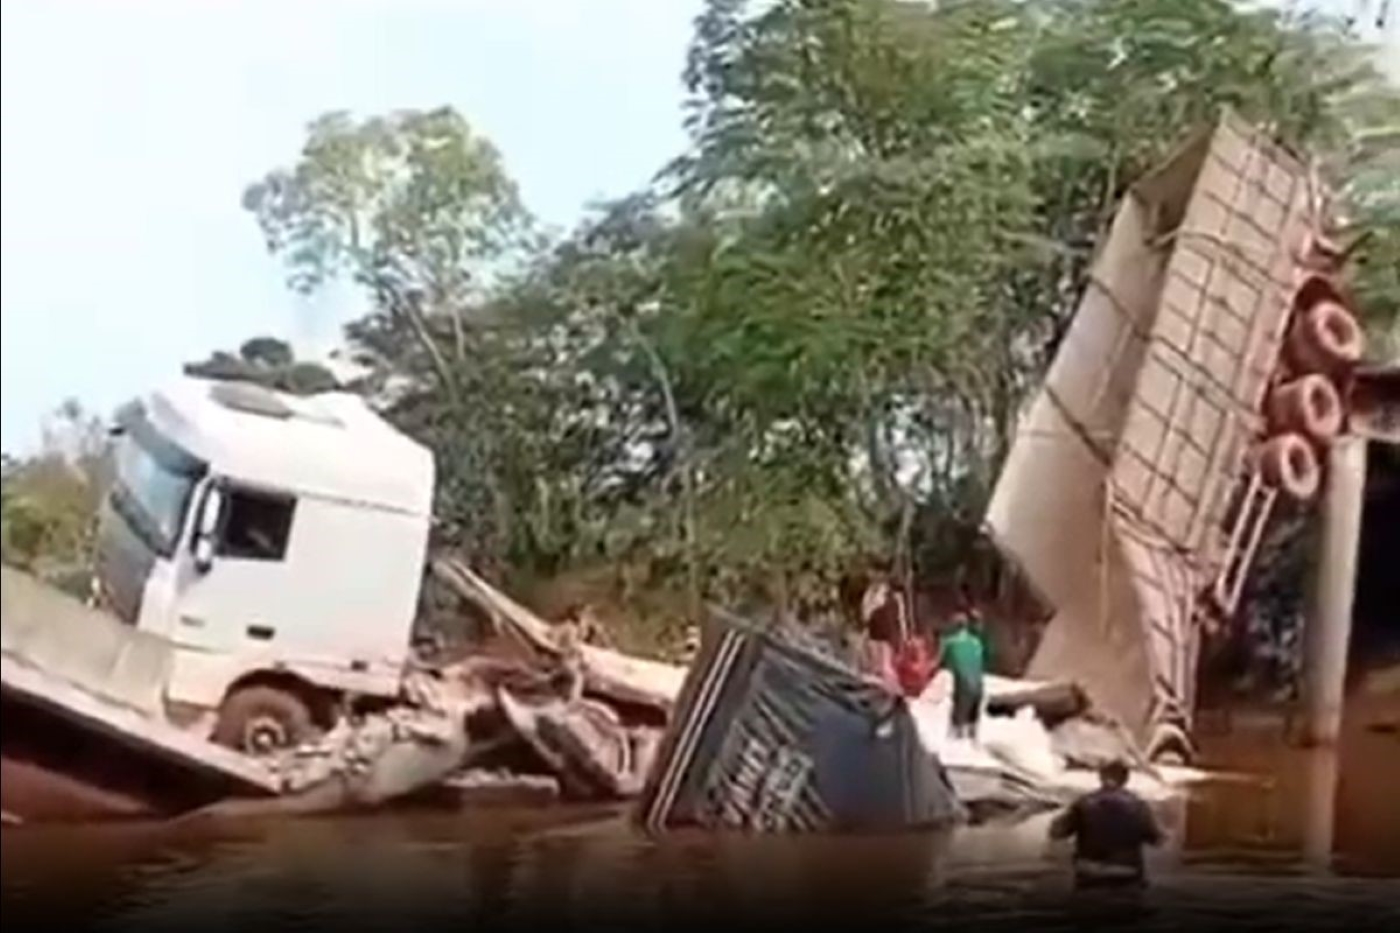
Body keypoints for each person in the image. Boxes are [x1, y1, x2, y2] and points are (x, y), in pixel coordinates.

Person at [1048, 760, 1165, 890]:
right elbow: (1157, 840)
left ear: (1101, 777)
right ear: (1126, 780)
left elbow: (1056, 832)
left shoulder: (1083, 802)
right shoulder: (1139, 805)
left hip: (1089, 872)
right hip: (1126, 872)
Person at [938, 612, 986, 740]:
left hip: (963, 686)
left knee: (956, 727)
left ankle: (955, 740)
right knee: (972, 726)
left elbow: (941, 664)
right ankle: (972, 740)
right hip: (978, 687)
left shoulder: (950, 643)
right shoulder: (977, 643)